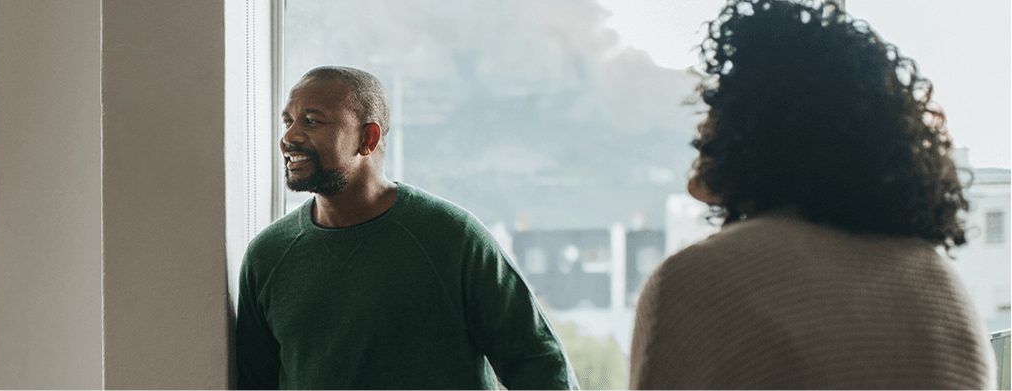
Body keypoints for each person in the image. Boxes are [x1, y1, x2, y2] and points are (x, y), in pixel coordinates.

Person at [629, 1, 996, 389]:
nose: (705, 125)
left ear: (759, 124)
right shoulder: (943, 289)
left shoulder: (699, 280)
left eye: (720, 104)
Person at [234, 66, 577, 390]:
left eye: (311, 121)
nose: (289, 137)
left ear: (367, 138)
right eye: (288, 121)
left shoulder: (452, 238)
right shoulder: (267, 256)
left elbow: (541, 366)